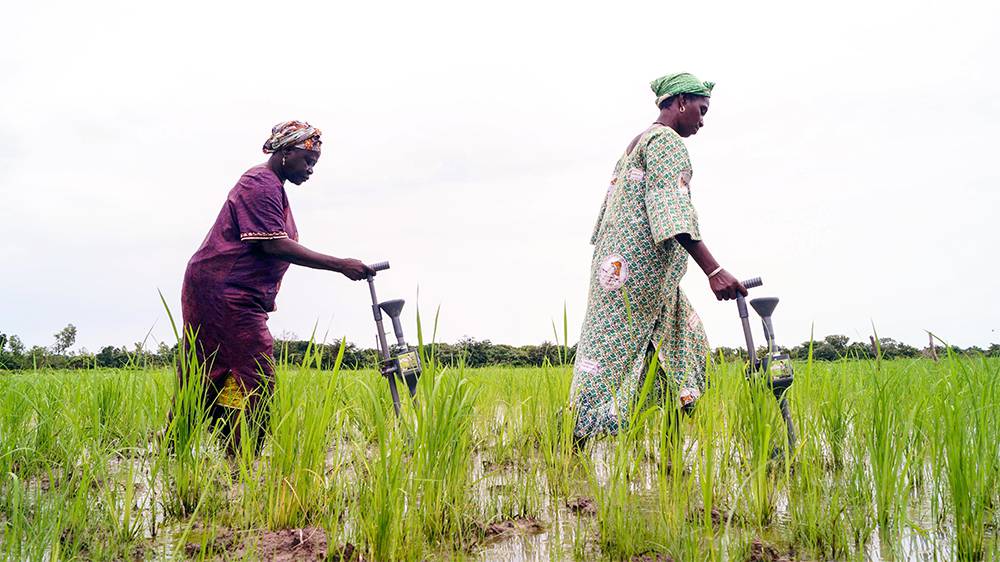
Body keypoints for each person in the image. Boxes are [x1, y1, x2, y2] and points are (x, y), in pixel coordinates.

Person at [178, 120, 373, 455]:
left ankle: (188, 449)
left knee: (209, 373)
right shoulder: (260, 183)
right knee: (256, 377)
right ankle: (243, 463)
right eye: (307, 160)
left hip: (224, 290)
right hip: (227, 293)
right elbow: (273, 244)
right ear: (285, 153)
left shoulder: (272, 186)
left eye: (315, 163)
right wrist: (340, 264)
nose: (311, 169)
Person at [570, 73, 747, 440]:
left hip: (623, 277)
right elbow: (670, 210)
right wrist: (713, 270)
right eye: (701, 109)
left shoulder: (637, 143)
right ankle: (576, 442)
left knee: (679, 353)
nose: (702, 120)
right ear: (680, 102)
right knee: (612, 369)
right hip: (638, 282)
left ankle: (670, 458)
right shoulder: (666, 142)